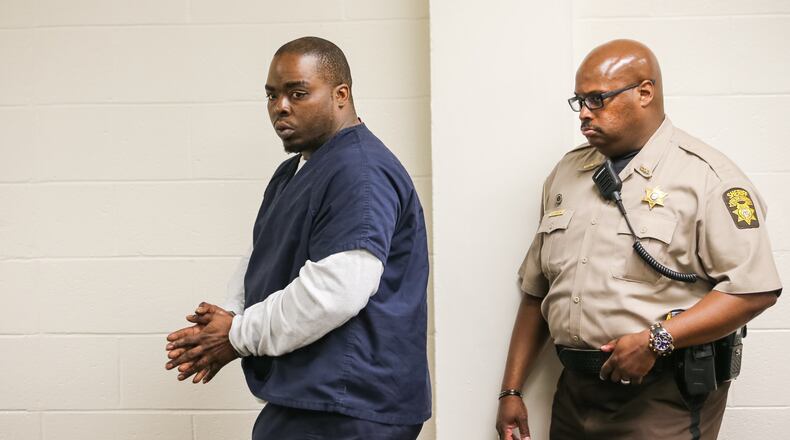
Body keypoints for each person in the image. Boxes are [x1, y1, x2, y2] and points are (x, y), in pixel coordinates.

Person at [496, 39, 781, 440]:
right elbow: (536, 293)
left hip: (663, 397)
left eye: (597, 99)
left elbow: (754, 290)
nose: (584, 113)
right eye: (579, 101)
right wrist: (511, 390)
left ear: (645, 93)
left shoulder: (708, 178)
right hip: (575, 395)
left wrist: (656, 340)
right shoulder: (567, 174)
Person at [164, 36, 431, 439]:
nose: (280, 106)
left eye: (298, 93)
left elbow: (337, 291)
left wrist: (236, 335)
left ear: (341, 95)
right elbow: (262, 257)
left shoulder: (360, 171)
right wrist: (229, 318)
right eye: (272, 95)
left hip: (351, 407)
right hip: (312, 401)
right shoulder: (292, 172)